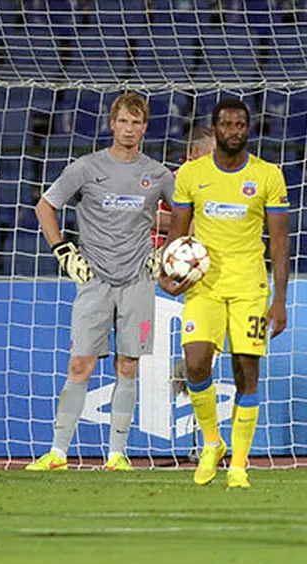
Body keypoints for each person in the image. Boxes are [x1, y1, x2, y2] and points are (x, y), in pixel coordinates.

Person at [25, 93, 175, 472]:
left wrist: (170, 249)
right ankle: (58, 453)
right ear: (112, 123)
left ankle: (116, 455)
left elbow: (182, 216)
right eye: (123, 122)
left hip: (139, 279)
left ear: (145, 127)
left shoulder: (158, 174)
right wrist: (62, 250)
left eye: (136, 123)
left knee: (128, 364)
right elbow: (45, 206)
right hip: (93, 279)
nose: (129, 130)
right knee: (80, 364)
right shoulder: (86, 168)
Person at [162, 98, 290, 489]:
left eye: (240, 125)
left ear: (247, 130)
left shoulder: (268, 175)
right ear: (214, 129)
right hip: (204, 285)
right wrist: (165, 271)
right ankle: (212, 443)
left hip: (249, 285)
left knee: (246, 372)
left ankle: (238, 464)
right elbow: (177, 233)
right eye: (227, 125)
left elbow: (280, 244)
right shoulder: (191, 174)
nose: (234, 131)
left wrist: (280, 299)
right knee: (196, 363)